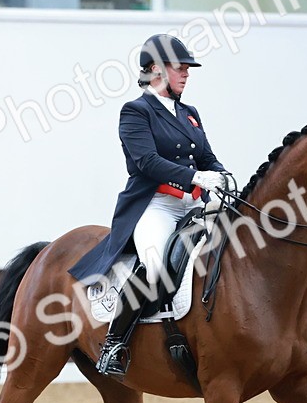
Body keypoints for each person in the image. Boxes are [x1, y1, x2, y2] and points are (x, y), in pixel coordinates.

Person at [69, 34, 229, 377]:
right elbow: (147, 162)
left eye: (187, 68)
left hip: (193, 205)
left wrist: (222, 175)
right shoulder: (136, 112)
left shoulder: (189, 113)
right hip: (155, 205)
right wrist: (196, 177)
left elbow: (206, 157)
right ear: (156, 70)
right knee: (154, 266)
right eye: (179, 67)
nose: (186, 73)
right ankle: (114, 345)